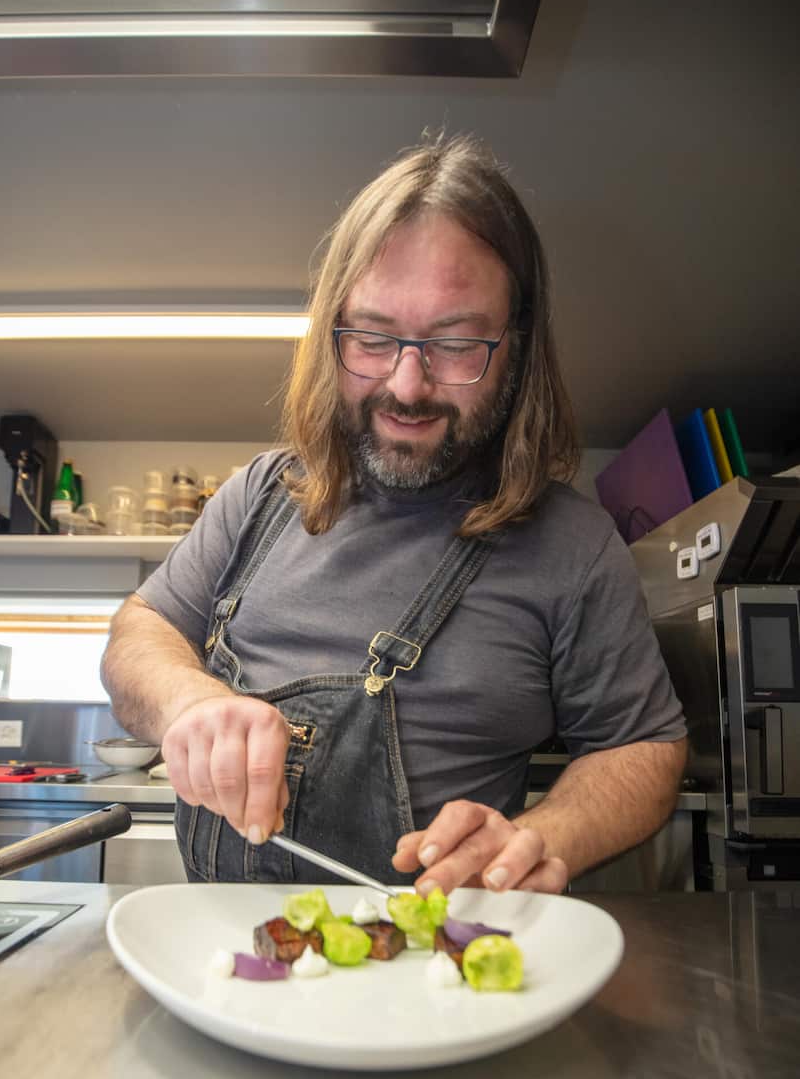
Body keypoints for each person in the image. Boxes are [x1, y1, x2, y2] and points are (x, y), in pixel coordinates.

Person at [101, 133, 687, 897]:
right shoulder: (259, 496)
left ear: (515, 345)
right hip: (231, 974)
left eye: (455, 344)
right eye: (373, 338)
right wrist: (192, 701)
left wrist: (543, 837)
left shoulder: (573, 547)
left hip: (429, 987)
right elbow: (137, 633)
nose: (408, 386)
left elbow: (644, 746)